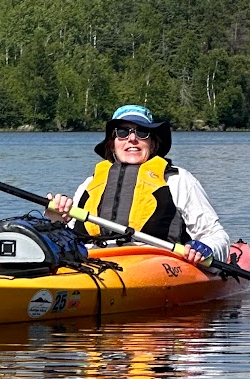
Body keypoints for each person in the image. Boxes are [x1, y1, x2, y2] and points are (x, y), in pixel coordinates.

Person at [47, 104, 230, 267]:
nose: (132, 139)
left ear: (153, 143)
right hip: (95, 261)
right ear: (112, 143)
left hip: (155, 263)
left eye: (142, 132)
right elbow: (63, 239)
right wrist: (54, 217)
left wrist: (207, 248)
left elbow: (217, 236)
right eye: (122, 132)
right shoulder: (90, 184)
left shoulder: (177, 179)